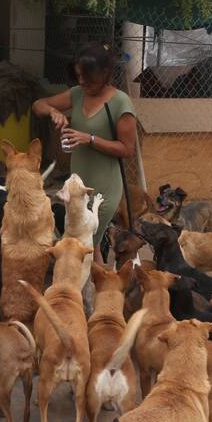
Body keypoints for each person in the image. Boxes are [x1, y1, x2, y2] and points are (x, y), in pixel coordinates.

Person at [33, 42, 137, 266]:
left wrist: (89, 139)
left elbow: (127, 149)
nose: (82, 81)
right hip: (77, 187)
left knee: (84, 242)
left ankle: (77, 292)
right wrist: (54, 112)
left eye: (88, 76)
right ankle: (100, 294)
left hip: (104, 188)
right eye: (79, 75)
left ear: (105, 73)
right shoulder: (78, 94)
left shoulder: (120, 102)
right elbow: (38, 104)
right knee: (91, 246)